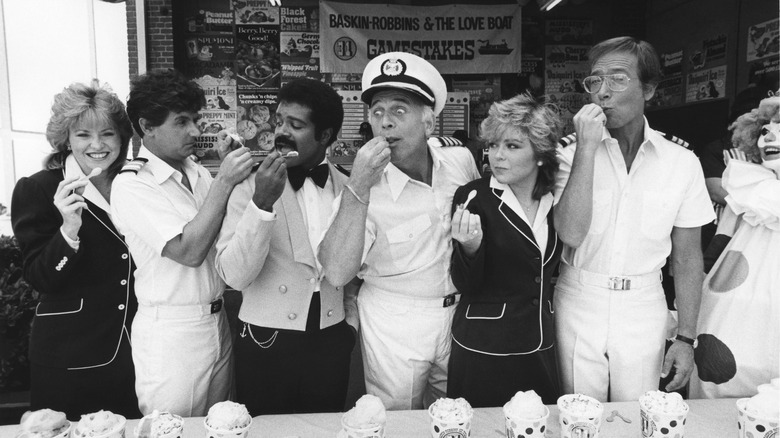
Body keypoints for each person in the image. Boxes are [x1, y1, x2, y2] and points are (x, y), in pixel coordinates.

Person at [553, 37, 715, 402]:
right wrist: (587, 149)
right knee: (578, 413)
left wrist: (687, 337)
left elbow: (688, 258)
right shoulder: (570, 153)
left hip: (644, 302)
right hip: (579, 296)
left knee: (639, 411)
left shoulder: (680, 161)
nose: (602, 93)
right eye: (595, 81)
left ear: (649, 89)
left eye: (618, 79)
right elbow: (570, 233)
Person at [318, 52, 480, 410]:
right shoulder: (364, 186)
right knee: (397, 419)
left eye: (399, 110)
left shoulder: (458, 162)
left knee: (455, 414)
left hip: (458, 315)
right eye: (377, 112)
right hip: (395, 320)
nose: (385, 123)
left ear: (429, 123)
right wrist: (358, 186)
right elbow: (336, 271)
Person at [110, 69, 254, 416]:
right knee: (171, 427)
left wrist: (226, 175)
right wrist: (224, 182)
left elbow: (221, 231)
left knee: (220, 425)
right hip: (172, 333)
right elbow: (188, 251)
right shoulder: (133, 184)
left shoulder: (198, 172)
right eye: (182, 122)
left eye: (196, 119)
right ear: (147, 126)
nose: (195, 130)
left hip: (217, 322)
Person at [214, 78, 355, 415]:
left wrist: (349, 328)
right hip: (267, 339)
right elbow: (233, 276)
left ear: (325, 135)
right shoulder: (250, 183)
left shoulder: (350, 187)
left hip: (330, 339)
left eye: (296, 124)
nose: (282, 132)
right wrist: (261, 203)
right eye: (279, 121)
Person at [10, 81, 140, 419]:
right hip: (69, 356)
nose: (97, 145)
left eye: (108, 133)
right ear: (66, 138)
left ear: (122, 138)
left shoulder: (137, 183)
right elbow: (39, 277)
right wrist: (68, 230)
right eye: (83, 135)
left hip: (138, 350)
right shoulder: (37, 188)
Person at [447, 93, 563, 407]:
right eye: (493, 145)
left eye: (512, 146)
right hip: (483, 346)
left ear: (540, 153)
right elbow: (464, 283)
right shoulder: (473, 196)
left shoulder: (557, 200)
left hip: (539, 341)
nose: (497, 156)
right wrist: (470, 249)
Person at [690, 93, 780, 399]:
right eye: (766, 129)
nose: (771, 136)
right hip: (735, 308)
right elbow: (721, 238)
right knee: (722, 383)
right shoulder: (751, 189)